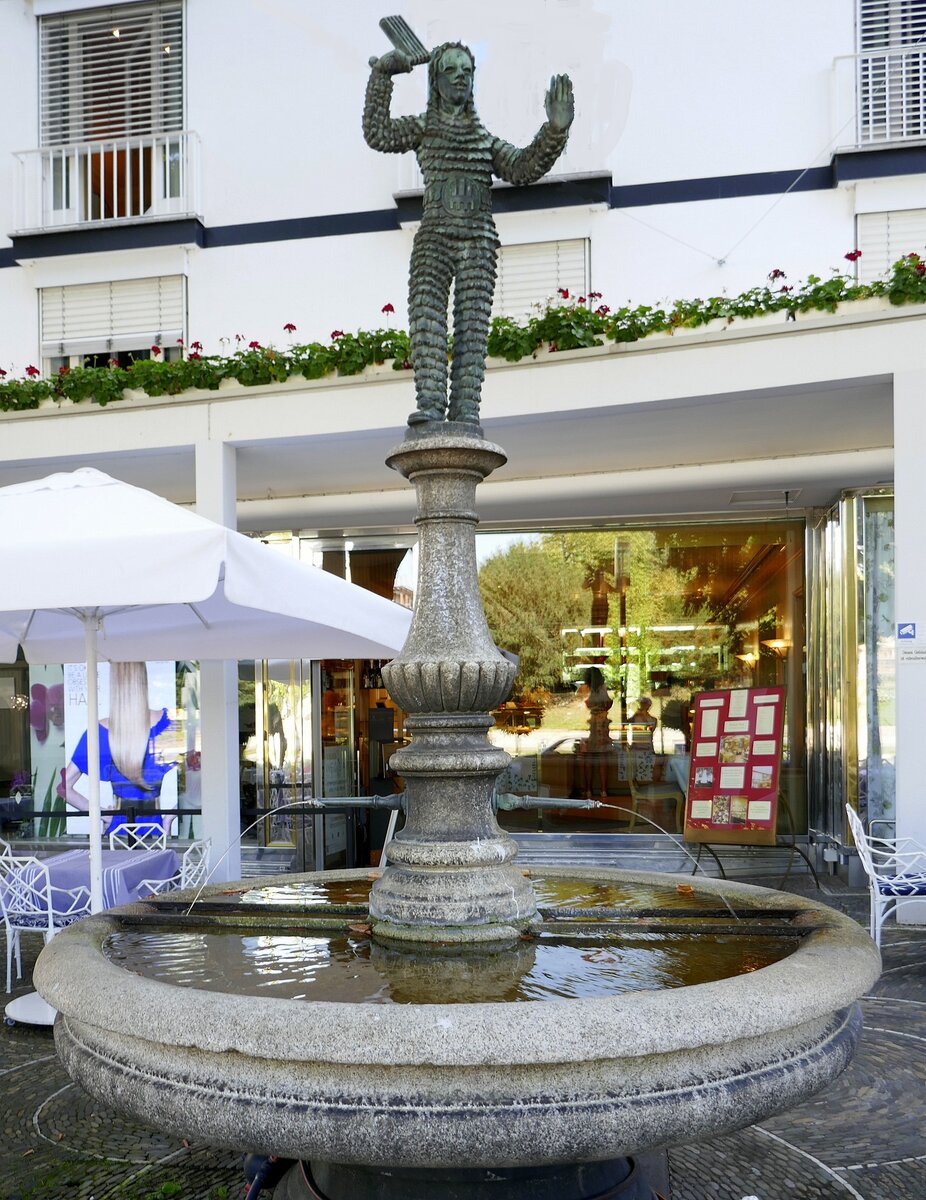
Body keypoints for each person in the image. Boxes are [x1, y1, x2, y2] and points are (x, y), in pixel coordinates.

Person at [363, 35, 574, 425]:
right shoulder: (423, 129)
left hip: (478, 238)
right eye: (450, 70)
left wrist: (555, 131)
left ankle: (466, 412)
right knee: (426, 319)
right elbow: (377, 133)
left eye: (466, 70)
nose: (460, 77)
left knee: (473, 331)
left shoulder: (484, 141)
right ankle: (429, 404)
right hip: (435, 236)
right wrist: (383, 74)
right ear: (435, 82)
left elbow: (523, 167)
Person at [59, 662, 176, 825]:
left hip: (118, 830)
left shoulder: (98, 731)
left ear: (115, 683)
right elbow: (201, 781)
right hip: (154, 830)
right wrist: (170, 818)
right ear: (144, 679)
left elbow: (64, 788)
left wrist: (103, 814)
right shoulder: (169, 725)